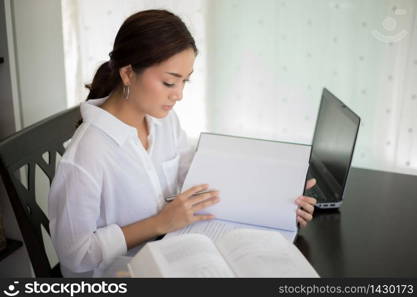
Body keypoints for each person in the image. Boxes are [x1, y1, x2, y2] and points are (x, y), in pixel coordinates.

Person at [48, 9, 317, 277]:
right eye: (169, 82)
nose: (178, 95)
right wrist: (159, 223)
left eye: (184, 82)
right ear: (128, 73)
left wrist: (278, 198)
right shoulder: (87, 155)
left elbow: (195, 174)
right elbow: (76, 257)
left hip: (173, 251)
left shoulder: (163, 121)